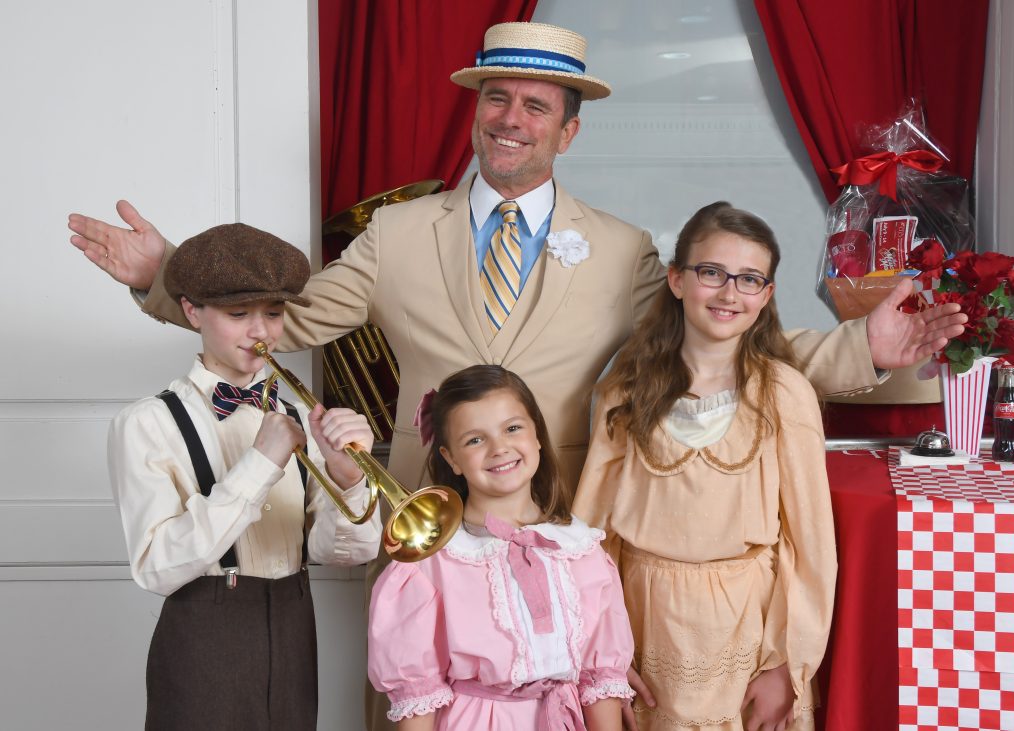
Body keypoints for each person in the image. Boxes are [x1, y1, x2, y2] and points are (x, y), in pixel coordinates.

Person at [69, 21, 964, 731]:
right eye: (497, 98)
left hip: (557, 528)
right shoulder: (397, 234)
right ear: (475, 111)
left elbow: (722, 331)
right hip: (424, 529)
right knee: (419, 706)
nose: (511, 119)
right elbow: (283, 321)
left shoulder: (621, 250)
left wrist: (865, 351)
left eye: (537, 105)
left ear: (568, 129)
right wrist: (168, 277)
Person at [574, 202, 838, 731]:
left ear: (765, 297)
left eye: (749, 279)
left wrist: (786, 665)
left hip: (747, 626)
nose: (728, 292)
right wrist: (603, 653)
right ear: (676, 280)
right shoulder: (625, 392)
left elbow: (811, 546)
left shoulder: (784, 394)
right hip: (645, 622)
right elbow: (593, 535)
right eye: (711, 272)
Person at [108, 222, 382, 731]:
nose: (261, 333)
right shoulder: (147, 423)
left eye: (274, 314)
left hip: (296, 624)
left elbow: (344, 552)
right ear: (192, 311)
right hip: (205, 634)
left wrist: (349, 480)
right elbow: (158, 567)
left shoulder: (302, 416)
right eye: (238, 315)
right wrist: (259, 465)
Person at [368, 364, 634, 730]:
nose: (499, 448)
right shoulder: (433, 562)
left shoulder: (582, 549)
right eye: (475, 440)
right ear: (451, 459)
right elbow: (417, 691)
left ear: (537, 435)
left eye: (512, 428)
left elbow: (600, 677)